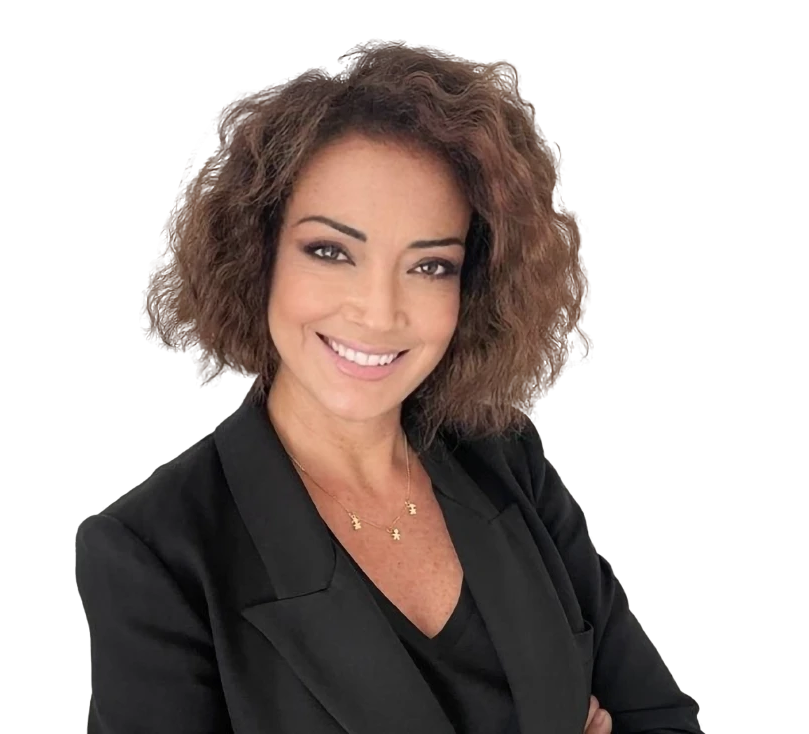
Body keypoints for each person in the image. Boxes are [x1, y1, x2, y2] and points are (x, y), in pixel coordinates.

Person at [75, 38, 704, 734]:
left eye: (430, 266)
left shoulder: (507, 460)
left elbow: (663, 719)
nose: (379, 313)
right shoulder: (155, 556)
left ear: (475, 283)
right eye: (330, 251)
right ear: (257, 252)